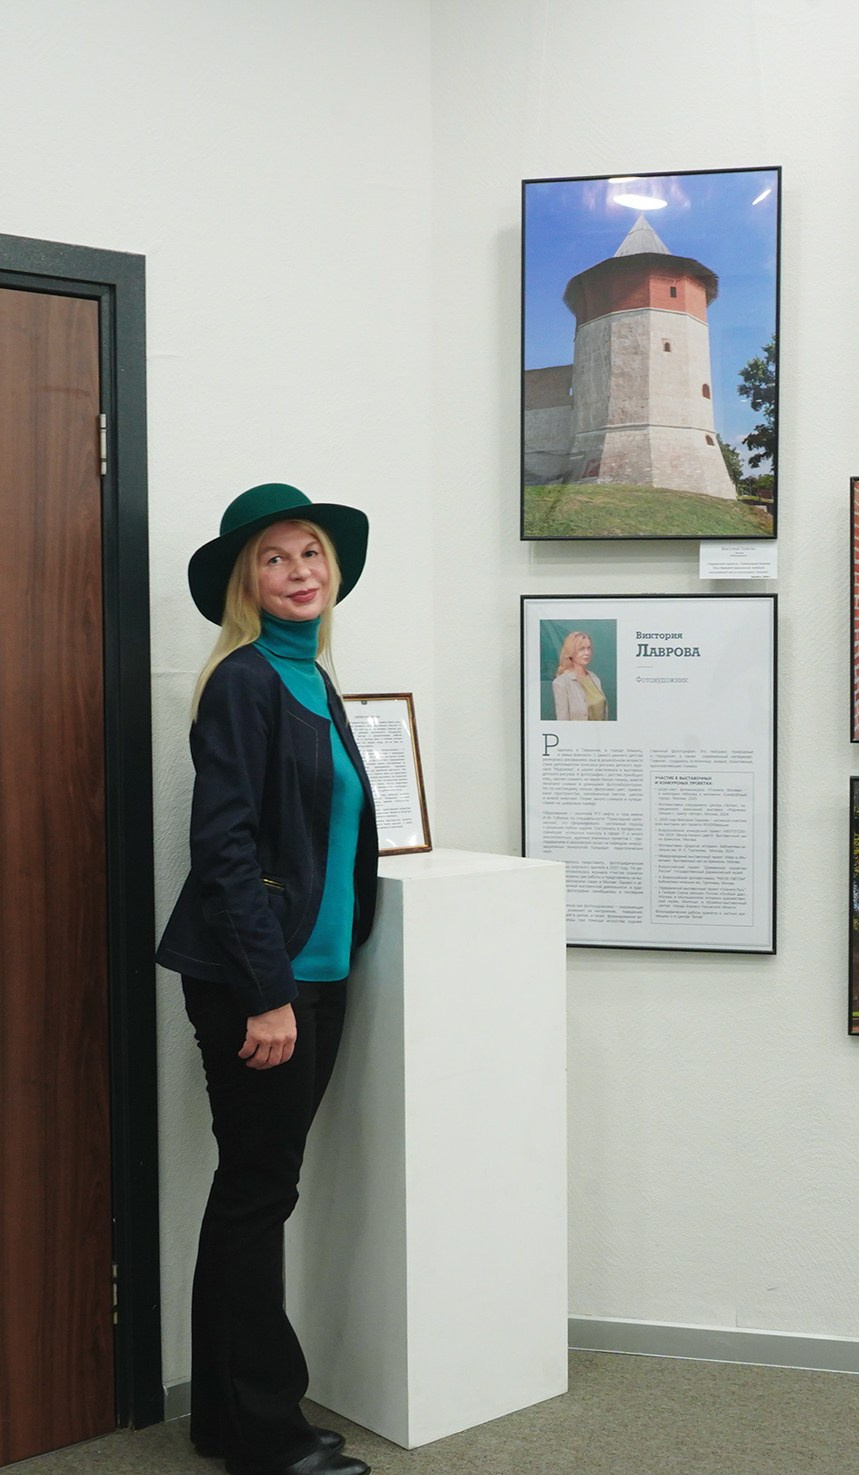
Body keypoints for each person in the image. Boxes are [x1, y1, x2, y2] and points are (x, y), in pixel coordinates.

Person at [157, 483, 378, 1475]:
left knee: (255, 1188)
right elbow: (226, 849)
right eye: (276, 558)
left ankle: (225, 1419)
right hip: (264, 980)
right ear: (248, 583)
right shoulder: (245, 680)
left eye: (312, 554)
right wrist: (267, 991)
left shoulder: (314, 678)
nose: (300, 572)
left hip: (317, 971)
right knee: (258, 1189)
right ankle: (266, 1433)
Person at [551, 628, 608, 720]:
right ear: (571, 652)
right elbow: (562, 721)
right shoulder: (561, 683)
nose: (587, 653)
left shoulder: (594, 678)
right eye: (581, 649)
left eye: (589, 648)